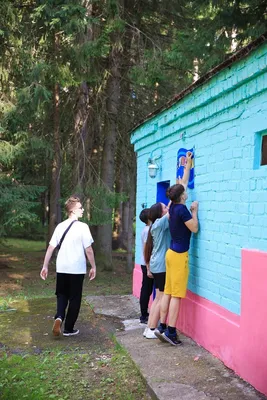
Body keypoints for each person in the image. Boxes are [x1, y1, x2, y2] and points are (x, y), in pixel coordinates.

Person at [143, 152, 193, 340]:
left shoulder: (158, 221)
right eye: (163, 208)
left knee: (163, 294)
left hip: (161, 260)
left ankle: (160, 327)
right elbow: (179, 195)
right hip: (172, 258)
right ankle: (161, 329)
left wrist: (185, 168)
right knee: (167, 296)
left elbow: (180, 189)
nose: (166, 207)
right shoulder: (165, 219)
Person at [40, 196, 96, 337]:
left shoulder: (60, 226)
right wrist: (93, 267)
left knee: (62, 294)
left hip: (62, 267)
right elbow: (88, 249)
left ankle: (59, 317)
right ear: (72, 210)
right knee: (75, 298)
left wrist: (45, 266)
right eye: (80, 208)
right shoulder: (83, 227)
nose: (82, 210)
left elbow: (50, 248)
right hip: (77, 268)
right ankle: (68, 329)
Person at [155, 184, 198, 346]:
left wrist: (186, 168)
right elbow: (194, 228)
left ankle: (162, 326)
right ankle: (171, 332)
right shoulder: (182, 210)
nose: (187, 193)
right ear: (181, 196)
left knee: (168, 292)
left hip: (170, 254)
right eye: (185, 192)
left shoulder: (172, 207)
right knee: (176, 295)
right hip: (179, 256)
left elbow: (182, 184)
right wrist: (194, 212)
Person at [143, 202, 170, 339]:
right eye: (164, 207)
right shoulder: (160, 223)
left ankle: (148, 327)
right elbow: (173, 210)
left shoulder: (155, 224)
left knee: (157, 298)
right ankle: (152, 328)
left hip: (156, 264)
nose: (167, 208)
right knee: (161, 298)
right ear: (160, 213)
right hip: (161, 265)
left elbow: (169, 209)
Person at [139, 208, 154, 324]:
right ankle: (144, 315)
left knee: (147, 289)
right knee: (146, 289)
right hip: (147, 263)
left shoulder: (148, 229)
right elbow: (146, 249)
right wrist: (148, 267)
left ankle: (145, 313)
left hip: (146, 263)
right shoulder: (148, 230)